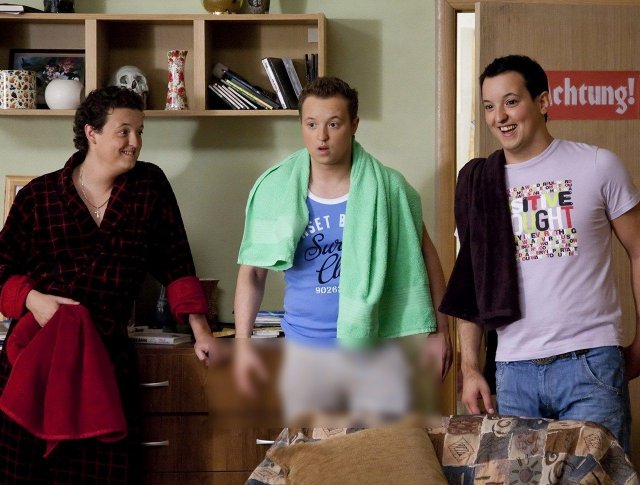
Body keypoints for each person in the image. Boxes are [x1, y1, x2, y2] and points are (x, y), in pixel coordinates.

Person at [0, 85, 225, 483]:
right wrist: (33, 300)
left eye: (139, 131)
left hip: (105, 353)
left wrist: (202, 331)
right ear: (92, 133)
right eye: (124, 131)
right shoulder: (38, 196)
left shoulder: (149, 186)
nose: (135, 141)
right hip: (38, 352)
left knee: (104, 472)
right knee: (24, 472)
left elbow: (176, 260)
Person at [440, 54, 640, 452]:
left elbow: (638, 250)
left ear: (543, 102)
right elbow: (471, 280)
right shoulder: (479, 183)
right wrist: (470, 367)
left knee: (598, 477)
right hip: (513, 371)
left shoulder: (598, 165)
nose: (499, 117)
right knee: (521, 479)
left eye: (511, 101)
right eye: (489, 106)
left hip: (590, 363)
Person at [234, 76, 452, 422]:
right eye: (311, 124)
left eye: (333, 124)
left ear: (354, 125)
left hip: (376, 348)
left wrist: (440, 332)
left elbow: (426, 258)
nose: (321, 136)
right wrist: (243, 344)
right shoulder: (275, 190)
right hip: (305, 351)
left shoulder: (388, 188)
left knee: (378, 450)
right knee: (315, 452)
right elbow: (252, 272)